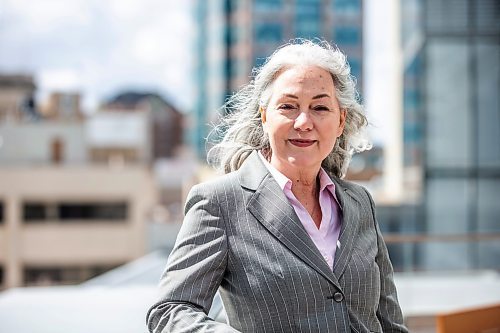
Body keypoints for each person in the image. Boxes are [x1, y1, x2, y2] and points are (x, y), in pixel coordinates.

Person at [146, 39, 408, 333]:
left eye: (320, 107)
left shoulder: (360, 202)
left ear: (340, 121)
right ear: (265, 115)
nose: (304, 121)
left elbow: (390, 322)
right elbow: (170, 311)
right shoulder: (220, 202)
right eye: (288, 106)